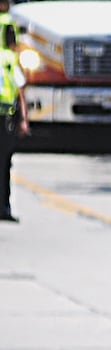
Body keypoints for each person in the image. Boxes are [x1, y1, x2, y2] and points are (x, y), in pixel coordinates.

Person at [0, 19, 29, 224]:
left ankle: (4, 206)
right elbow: (21, 90)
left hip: (6, 117)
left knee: (4, 163)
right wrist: (24, 119)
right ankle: (4, 206)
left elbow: (17, 90)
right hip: (7, 118)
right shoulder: (10, 58)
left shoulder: (8, 58)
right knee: (4, 164)